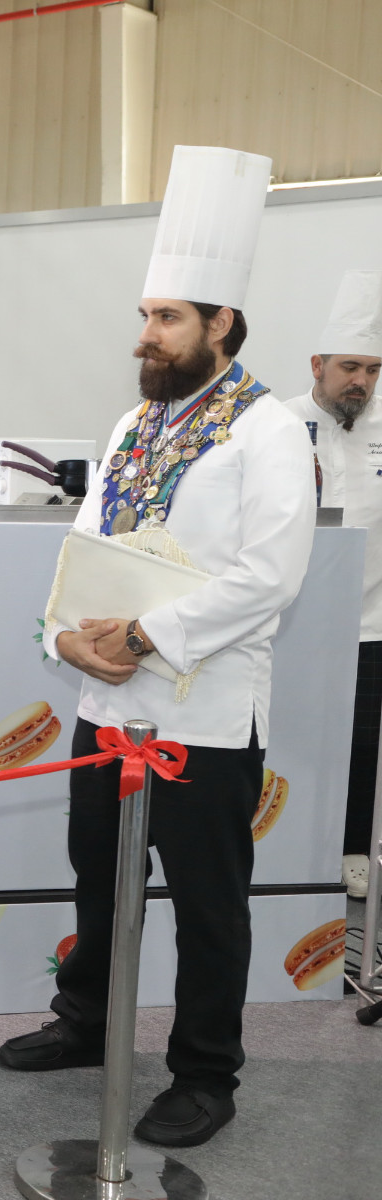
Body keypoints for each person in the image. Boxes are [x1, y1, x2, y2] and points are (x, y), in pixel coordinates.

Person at [0, 147, 316, 1148]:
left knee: (209, 904)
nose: (146, 334)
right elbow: (82, 548)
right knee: (98, 878)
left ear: (222, 323)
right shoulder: (134, 425)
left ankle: (206, 1075)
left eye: (168, 317)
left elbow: (269, 579)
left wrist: (143, 634)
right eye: (145, 315)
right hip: (106, 705)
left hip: (205, 715)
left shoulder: (268, 431)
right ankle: (87, 1021)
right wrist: (65, 635)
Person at [279, 268, 382, 899]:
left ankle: (352, 851)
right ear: (317, 366)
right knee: (290, 741)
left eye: (373, 370)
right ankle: (286, 847)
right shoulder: (276, 425)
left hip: (371, 621)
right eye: (350, 367)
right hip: (291, 622)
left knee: (361, 745)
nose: (361, 382)